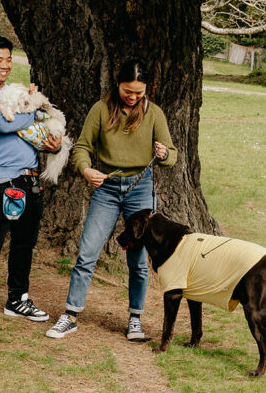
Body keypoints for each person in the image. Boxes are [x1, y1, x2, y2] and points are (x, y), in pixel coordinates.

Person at [45, 58, 177, 340]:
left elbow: (172, 155)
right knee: (88, 251)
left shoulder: (154, 114)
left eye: (138, 93)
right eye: (128, 91)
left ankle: (135, 319)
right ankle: (70, 315)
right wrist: (85, 169)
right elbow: (82, 147)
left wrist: (164, 153)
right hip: (106, 188)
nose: (133, 97)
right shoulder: (101, 109)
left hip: (140, 189)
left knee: (138, 260)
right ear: (117, 84)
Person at [0, 34, 62, 331]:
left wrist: (52, 146)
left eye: (8, 59)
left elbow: (34, 129)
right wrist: (33, 107)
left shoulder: (10, 91)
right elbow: (4, 123)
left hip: (29, 179)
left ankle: (17, 299)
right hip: (0, 182)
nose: (5, 65)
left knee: (24, 243)